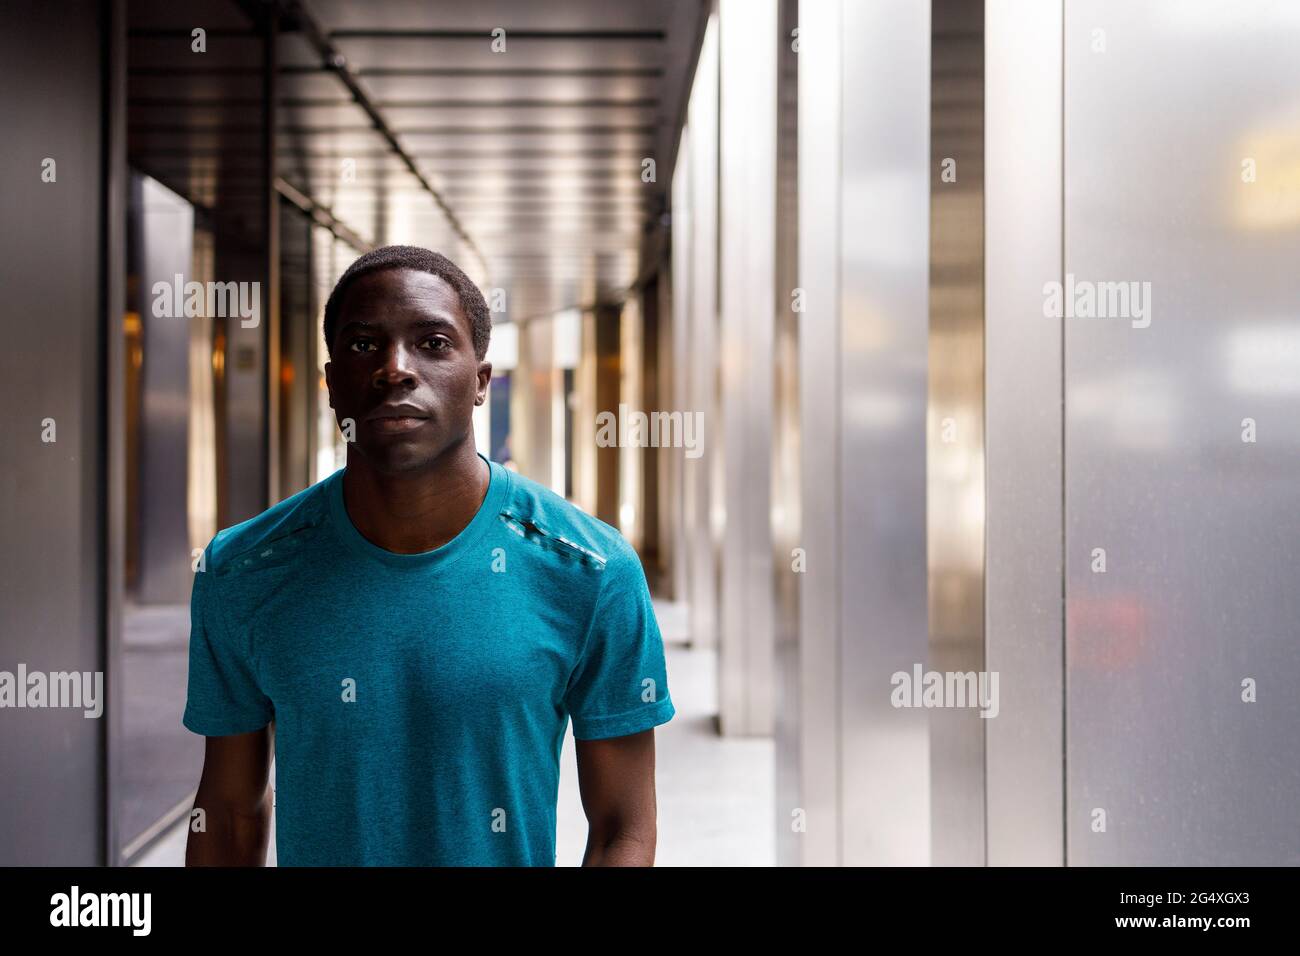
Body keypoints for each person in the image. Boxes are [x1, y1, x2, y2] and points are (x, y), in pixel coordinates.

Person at [182, 244, 675, 866]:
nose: (395, 369)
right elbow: (227, 816)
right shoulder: (244, 570)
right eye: (365, 344)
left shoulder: (590, 570)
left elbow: (621, 829)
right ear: (333, 385)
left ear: (480, 382)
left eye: (433, 343)